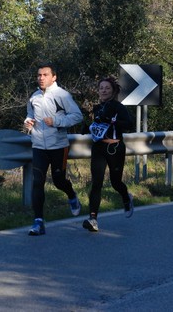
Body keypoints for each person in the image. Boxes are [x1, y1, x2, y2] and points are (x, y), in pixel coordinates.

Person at [23, 63, 83, 236]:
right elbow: (29, 115)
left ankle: (72, 196)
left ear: (53, 77)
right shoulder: (34, 97)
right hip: (39, 146)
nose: (41, 78)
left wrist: (57, 122)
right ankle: (38, 222)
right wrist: (28, 123)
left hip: (58, 146)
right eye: (39, 75)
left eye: (45, 75)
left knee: (58, 180)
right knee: (37, 182)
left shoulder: (62, 95)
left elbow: (77, 116)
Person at [83, 77, 135, 232]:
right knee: (96, 183)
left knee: (115, 182)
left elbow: (129, 125)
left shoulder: (119, 107)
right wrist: (87, 126)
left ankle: (126, 197)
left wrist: (113, 122)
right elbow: (95, 126)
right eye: (101, 88)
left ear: (113, 90)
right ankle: (93, 219)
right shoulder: (97, 108)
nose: (104, 90)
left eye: (107, 88)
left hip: (115, 148)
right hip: (99, 148)